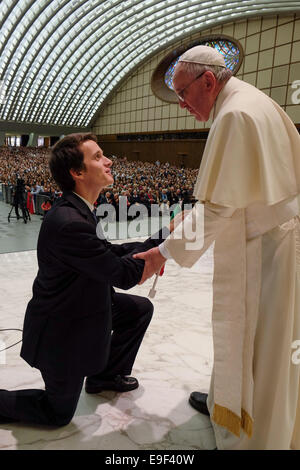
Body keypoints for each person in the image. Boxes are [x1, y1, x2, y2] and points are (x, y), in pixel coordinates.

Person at [134, 46, 300, 450]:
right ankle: (222, 401)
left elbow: (218, 209)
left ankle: (258, 437)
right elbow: (229, 197)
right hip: (271, 236)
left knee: (264, 345)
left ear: (207, 81)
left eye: (183, 93)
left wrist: (161, 254)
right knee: (242, 335)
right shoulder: (254, 101)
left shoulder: (236, 114)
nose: (182, 105)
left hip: (271, 251)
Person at [0, 133, 180, 427]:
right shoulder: (70, 223)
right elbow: (122, 275)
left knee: (138, 310)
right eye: (97, 156)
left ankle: (105, 377)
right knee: (56, 413)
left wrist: (163, 234)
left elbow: (110, 253)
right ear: (77, 172)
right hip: (62, 330)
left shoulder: (79, 210)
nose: (108, 160)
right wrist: (165, 246)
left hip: (83, 305)